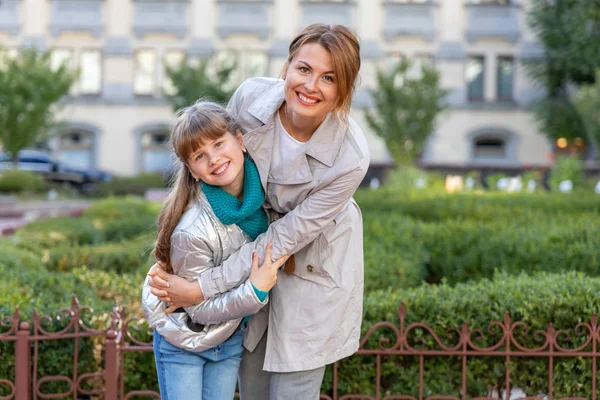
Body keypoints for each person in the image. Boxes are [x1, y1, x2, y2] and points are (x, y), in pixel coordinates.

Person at [148, 23, 370, 399]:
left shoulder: (350, 157)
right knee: (251, 386)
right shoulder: (250, 99)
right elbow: (210, 178)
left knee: (291, 388)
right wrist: (173, 259)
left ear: (343, 89)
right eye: (304, 69)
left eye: (328, 78)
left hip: (312, 264)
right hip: (243, 252)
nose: (310, 86)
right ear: (287, 66)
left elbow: (284, 238)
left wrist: (200, 288)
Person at [141, 101, 288, 400]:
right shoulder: (191, 231)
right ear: (192, 170)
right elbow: (198, 309)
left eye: (219, 143)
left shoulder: (266, 199)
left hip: (228, 339)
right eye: (199, 155)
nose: (214, 159)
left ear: (240, 140)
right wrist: (254, 293)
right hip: (184, 339)